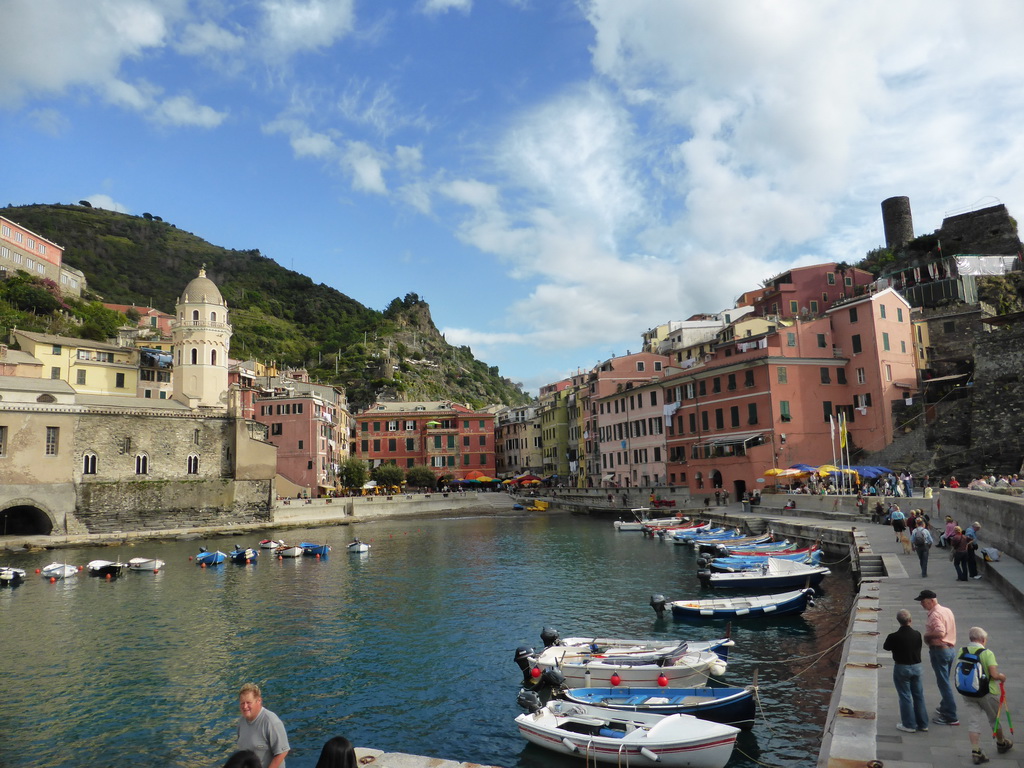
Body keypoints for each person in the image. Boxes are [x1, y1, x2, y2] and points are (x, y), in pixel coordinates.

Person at [955, 626, 1013, 764]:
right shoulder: (987, 653)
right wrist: (1002, 677)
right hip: (987, 692)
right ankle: (1001, 743)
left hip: (968, 692)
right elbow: (993, 675)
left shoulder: (961, 651)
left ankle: (976, 751)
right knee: (994, 719)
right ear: (982, 639)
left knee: (973, 722)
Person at [916, 589, 959, 726]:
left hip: (940, 650)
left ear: (932, 601)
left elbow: (940, 632)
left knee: (943, 683)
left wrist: (927, 636)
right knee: (945, 680)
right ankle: (945, 706)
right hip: (950, 650)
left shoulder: (935, 614)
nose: (922, 604)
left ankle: (951, 716)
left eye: (923, 602)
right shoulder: (947, 610)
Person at [883, 609, 930, 733]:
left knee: (905, 696)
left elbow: (886, 647)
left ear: (898, 621)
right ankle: (923, 723)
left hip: (902, 667)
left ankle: (909, 724)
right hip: (917, 666)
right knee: (918, 695)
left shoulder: (894, 636)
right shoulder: (917, 634)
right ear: (910, 620)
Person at [237, 683, 290, 768]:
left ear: (259, 701)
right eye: (242, 703)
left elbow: (282, 752)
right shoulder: (241, 722)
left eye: (248, 702)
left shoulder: (271, 722)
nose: (245, 706)